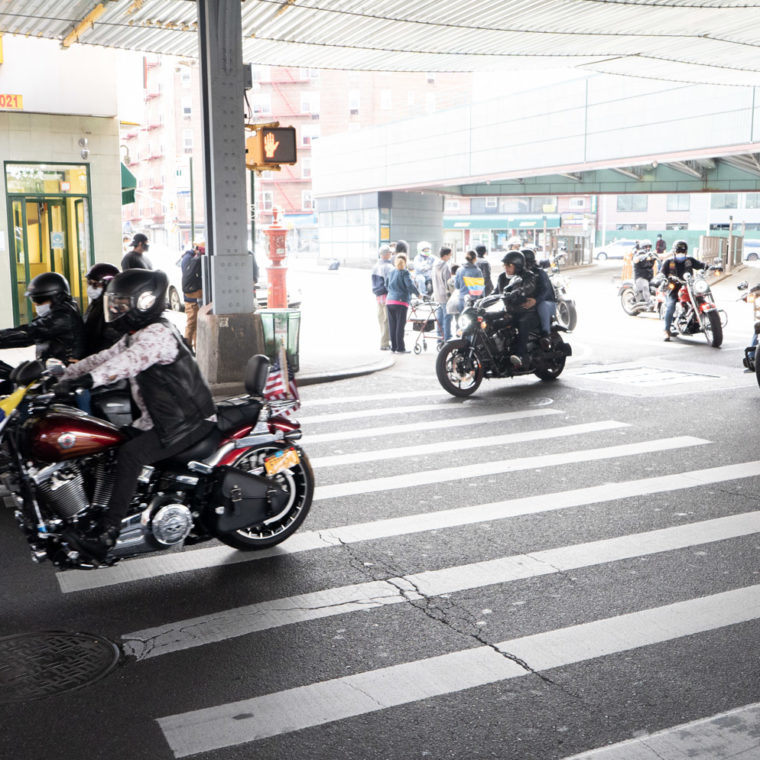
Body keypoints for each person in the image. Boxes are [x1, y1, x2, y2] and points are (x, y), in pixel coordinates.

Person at [52, 269, 216, 559]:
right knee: (108, 442)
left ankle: (107, 534)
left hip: (186, 421)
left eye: (122, 305)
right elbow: (104, 358)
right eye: (114, 304)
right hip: (160, 419)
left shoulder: (157, 335)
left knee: (131, 455)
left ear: (144, 303)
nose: (116, 310)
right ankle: (108, 507)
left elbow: (128, 362)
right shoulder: (135, 334)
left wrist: (88, 381)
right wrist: (62, 377)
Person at [0, 272, 86, 364]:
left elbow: (29, 333)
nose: (36, 304)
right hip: (52, 365)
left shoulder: (63, 317)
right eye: (34, 300)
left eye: (39, 300)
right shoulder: (61, 311)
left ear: (57, 297)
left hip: (62, 370)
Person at [659, 240, 706, 342]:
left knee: (701, 299)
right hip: (673, 288)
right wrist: (663, 278)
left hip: (689, 287)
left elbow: (702, 265)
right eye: (678, 251)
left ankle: (701, 320)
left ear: (686, 252)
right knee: (671, 306)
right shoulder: (668, 262)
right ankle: (666, 330)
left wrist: (710, 267)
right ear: (674, 252)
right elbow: (661, 273)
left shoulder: (689, 260)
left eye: (683, 252)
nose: (681, 254)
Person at [501, 250, 538, 368]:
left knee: (523, 324)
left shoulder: (528, 275)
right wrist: (481, 299)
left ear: (517, 265)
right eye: (505, 265)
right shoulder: (502, 277)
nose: (506, 268)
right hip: (510, 310)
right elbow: (495, 292)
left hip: (526, 311)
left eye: (509, 265)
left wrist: (518, 291)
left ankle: (522, 356)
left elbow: (528, 287)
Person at [83, 262, 121, 356]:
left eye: (95, 284)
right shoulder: (96, 303)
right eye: (89, 283)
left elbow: (109, 342)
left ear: (108, 285)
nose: (90, 288)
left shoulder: (113, 310)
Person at [385, 253, 419, 353]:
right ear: (405, 262)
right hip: (401, 302)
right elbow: (410, 286)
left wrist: (392, 293)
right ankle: (400, 348)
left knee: (392, 326)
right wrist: (418, 294)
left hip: (390, 301)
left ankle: (393, 347)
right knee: (400, 326)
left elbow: (386, 285)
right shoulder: (405, 272)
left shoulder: (391, 272)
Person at [522, 248, 556, 346]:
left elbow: (545, 291)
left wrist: (536, 301)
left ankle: (546, 334)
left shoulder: (539, 273)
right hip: (529, 303)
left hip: (547, 303)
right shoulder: (517, 275)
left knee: (542, 305)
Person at [181, 241, 205, 350]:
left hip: (193, 296)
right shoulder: (189, 259)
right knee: (191, 324)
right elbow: (190, 277)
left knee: (195, 325)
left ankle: (197, 349)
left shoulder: (190, 257)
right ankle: (187, 348)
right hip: (191, 298)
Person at [371, 244, 394, 351]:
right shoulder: (388, 267)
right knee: (386, 320)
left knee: (381, 319)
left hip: (378, 296)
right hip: (387, 296)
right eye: (390, 253)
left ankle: (383, 341)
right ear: (386, 254)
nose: (391, 254)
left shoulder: (376, 266)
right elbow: (391, 283)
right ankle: (384, 343)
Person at [432, 246, 454, 343]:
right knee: (447, 317)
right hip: (445, 295)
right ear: (445, 255)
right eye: (449, 255)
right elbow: (448, 283)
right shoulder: (445, 266)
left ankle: (439, 337)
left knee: (440, 317)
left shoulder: (434, 265)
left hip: (437, 294)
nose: (450, 256)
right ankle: (447, 338)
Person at [632, 240, 657, 308]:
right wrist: (644, 256)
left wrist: (672, 253)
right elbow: (635, 260)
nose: (648, 248)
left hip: (650, 277)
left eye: (649, 246)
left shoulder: (651, 255)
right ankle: (649, 303)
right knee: (645, 286)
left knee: (659, 285)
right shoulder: (638, 254)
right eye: (646, 246)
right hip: (640, 277)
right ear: (642, 247)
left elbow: (661, 256)